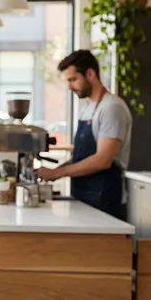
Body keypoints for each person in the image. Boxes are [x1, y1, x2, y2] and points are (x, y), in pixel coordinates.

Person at [37, 50, 133, 219]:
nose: (70, 87)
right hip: (83, 197)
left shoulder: (111, 108)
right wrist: (53, 171)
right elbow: (79, 157)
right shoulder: (87, 108)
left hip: (105, 200)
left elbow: (103, 160)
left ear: (90, 74)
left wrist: (57, 173)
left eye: (73, 80)